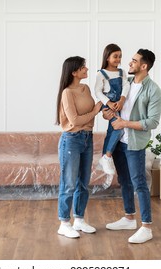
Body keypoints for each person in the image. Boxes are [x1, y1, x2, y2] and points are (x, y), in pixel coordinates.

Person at [103, 49, 161, 244]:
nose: (129, 63)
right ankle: (129, 218)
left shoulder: (153, 90)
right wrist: (108, 113)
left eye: (134, 61)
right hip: (119, 140)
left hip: (134, 143)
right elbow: (117, 107)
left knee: (139, 183)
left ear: (144, 66)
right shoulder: (126, 84)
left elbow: (152, 122)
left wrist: (125, 124)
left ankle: (146, 227)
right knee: (125, 180)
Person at [55, 56, 102, 239]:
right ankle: (64, 223)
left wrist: (98, 112)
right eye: (83, 67)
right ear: (74, 72)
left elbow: (87, 118)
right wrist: (95, 112)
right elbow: (74, 121)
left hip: (87, 138)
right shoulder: (67, 92)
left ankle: (79, 219)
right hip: (71, 140)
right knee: (69, 183)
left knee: (83, 182)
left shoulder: (86, 88)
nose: (87, 69)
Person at [95, 43, 130, 175]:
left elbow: (126, 86)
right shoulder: (101, 74)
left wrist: (122, 99)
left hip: (120, 104)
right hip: (109, 104)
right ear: (107, 57)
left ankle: (104, 157)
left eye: (120, 57)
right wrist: (108, 103)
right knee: (118, 128)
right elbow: (98, 92)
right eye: (115, 56)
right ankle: (107, 156)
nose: (118, 59)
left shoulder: (122, 72)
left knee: (112, 130)